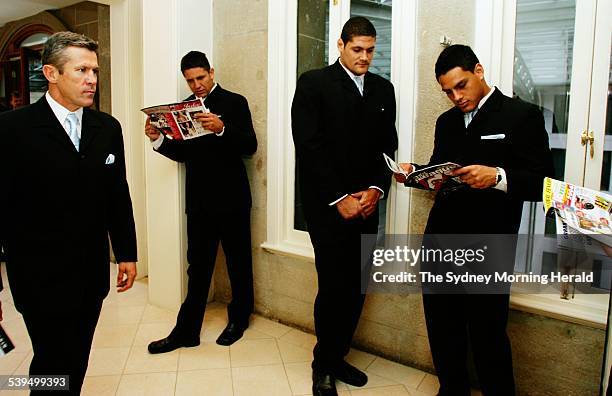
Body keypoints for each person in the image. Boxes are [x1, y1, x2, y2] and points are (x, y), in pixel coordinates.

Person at [395, 44, 554, 395]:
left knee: (488, 334)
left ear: (479, 71)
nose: (456, 96)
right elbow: (442, 169)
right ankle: (452, 389)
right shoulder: (446, 122)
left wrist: (497, 176)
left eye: (461, 85)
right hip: (440, 239)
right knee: (442, 327)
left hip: (490, 241)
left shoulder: (521, 115)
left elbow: (544, 182)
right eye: (448, 91)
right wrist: (415, 173)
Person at [0, 31, 137, 395]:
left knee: (77, 356)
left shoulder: (107, 128)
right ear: (51, 73)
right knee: (51, 360)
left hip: (90, 274)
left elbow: (116, 193)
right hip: (38, 275)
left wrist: (126, 252)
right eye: (81, 70)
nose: (92, 79)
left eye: (94, 70)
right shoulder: (11, 130)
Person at [292, 16, 398, 396]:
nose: (365, 57)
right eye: (357, 49)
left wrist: (375, 189)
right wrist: (339, 198)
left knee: (356, 288)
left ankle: (338, 356)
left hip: (367, 208)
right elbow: (309, 146)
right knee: (333, 288)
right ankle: (322, 366)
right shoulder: (314, 83)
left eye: (370, 50)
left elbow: (387, 146)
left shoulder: (384, 90)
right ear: (340, 45)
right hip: (329, 210)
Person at [146, 51, 257, 353]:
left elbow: (250, 146)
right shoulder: (182, 109)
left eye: (200, 77)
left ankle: (239, 320)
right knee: (197, 269)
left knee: (238, 265)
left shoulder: (235, 102)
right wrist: (158, 140)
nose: (196, 85)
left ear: (211, 72)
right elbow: (184, 155)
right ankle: (186, 331)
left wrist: (221, 128)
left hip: (233, 201)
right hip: (199, 204)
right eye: (190, 80)